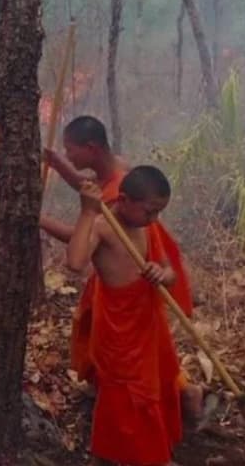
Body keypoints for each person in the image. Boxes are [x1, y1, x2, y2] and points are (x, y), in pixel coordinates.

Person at [39, 116, 199, 420]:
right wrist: (59, 164)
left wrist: (38, 218)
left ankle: (180, 396)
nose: (69, 154)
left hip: (135, 283)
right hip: (118, 286)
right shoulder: (118, 171)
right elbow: (89, 187)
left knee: (144, 358)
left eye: (70, 149)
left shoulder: (121, 203)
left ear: (91, 147)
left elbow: (82, 238)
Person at [66, 167, 183, 465]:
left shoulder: (147, 226)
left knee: (154, 390)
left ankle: (148, 452)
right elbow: (76, 262)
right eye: (149, 211)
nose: (154, 218)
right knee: (129, 398)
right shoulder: (103, 227)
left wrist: (162, 274)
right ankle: (134, 457)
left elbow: (170, 270)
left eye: (158, 211)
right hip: (119, 334)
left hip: (147, 327)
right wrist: (87, 213)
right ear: (124, 199)